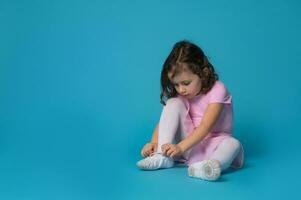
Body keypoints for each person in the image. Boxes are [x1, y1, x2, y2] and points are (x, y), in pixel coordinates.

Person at [136, 40, 244, 181]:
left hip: (214, 145)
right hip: (189, 145)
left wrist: (180, 147)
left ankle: (209, 167)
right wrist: (154, 142)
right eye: (176, 84)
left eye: (186, 83)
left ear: (203, 73)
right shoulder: (181, 95)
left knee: (233, 144)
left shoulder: (218, 90)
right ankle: (162, 156)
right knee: (173, 102)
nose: (181, 89)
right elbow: (163, 122)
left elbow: (205, 126)